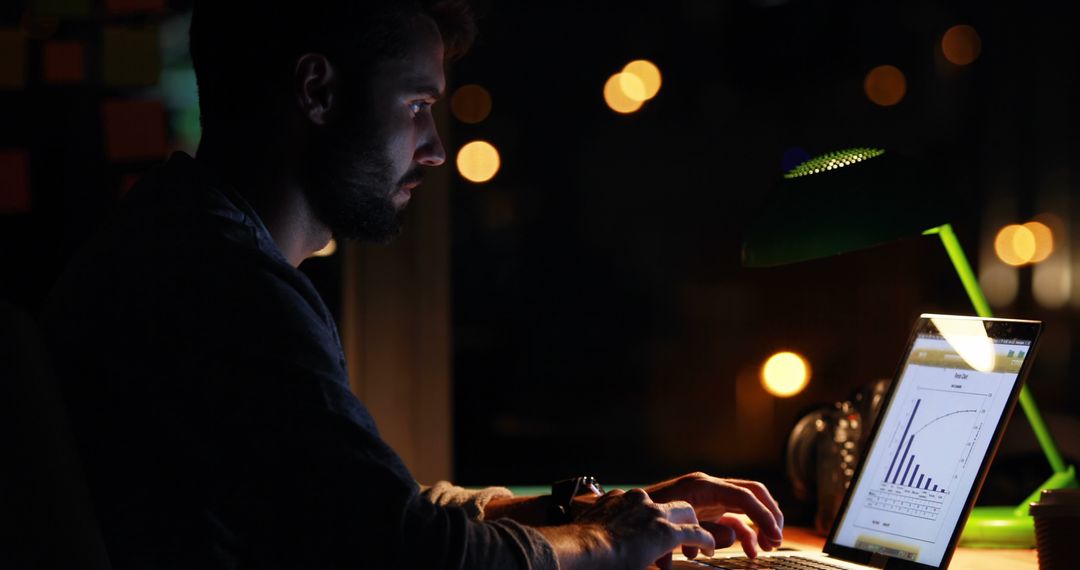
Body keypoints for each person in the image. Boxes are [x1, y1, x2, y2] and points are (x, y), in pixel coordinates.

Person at [41, 1, 784, 568]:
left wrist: (587, 508)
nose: (433, 150)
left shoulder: (187, 238)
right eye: (418, 107)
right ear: (318, 91)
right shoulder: (220, 283)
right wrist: (603, 543)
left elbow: (366, 511)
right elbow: (409, 554)